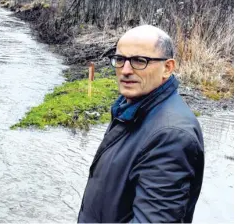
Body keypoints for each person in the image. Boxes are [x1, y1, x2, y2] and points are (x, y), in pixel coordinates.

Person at [77, 25, 204, 223]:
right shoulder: (130, 108)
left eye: (139, 61)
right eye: (120, 59)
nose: (125, 70)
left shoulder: (171, 135)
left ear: (167, 68)